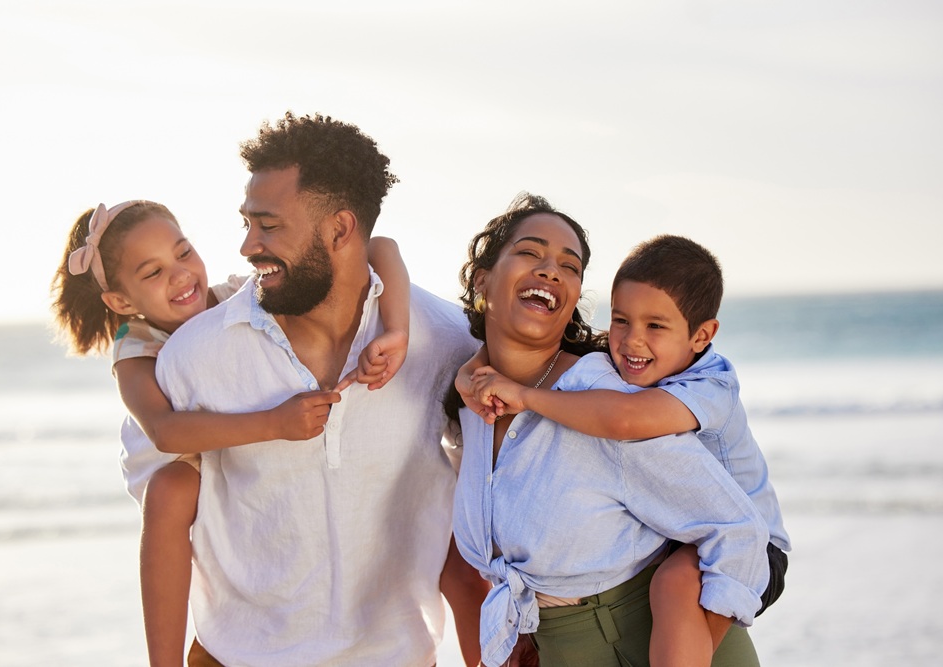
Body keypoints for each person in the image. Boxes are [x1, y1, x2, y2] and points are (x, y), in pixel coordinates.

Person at [152, 112, 490, 667]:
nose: (246, 246)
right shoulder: (195, 357)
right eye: (246, 223)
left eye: (268, 225)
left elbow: (485, 515)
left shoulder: (445, 344)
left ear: (339, 229)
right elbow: (163, 514)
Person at [50, 199, 412, 666]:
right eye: (153, 273)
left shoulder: (234, 297)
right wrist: (275, 424)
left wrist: (397, 328)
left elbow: (381, 247)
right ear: (121, 302)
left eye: (183, 253)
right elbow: (163, 431)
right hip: (181, 452)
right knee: (170, 492)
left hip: (236, 438)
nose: (180, 276)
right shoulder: (134, 348)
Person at [445, 194, 771, 667]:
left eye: (569, 266)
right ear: (483, 281)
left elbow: (735, 527)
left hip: (661, 642)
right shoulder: (473, 404)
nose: (551, 271)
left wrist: (709, 628)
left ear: (575, 297)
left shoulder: (604, 399)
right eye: (530, 253)